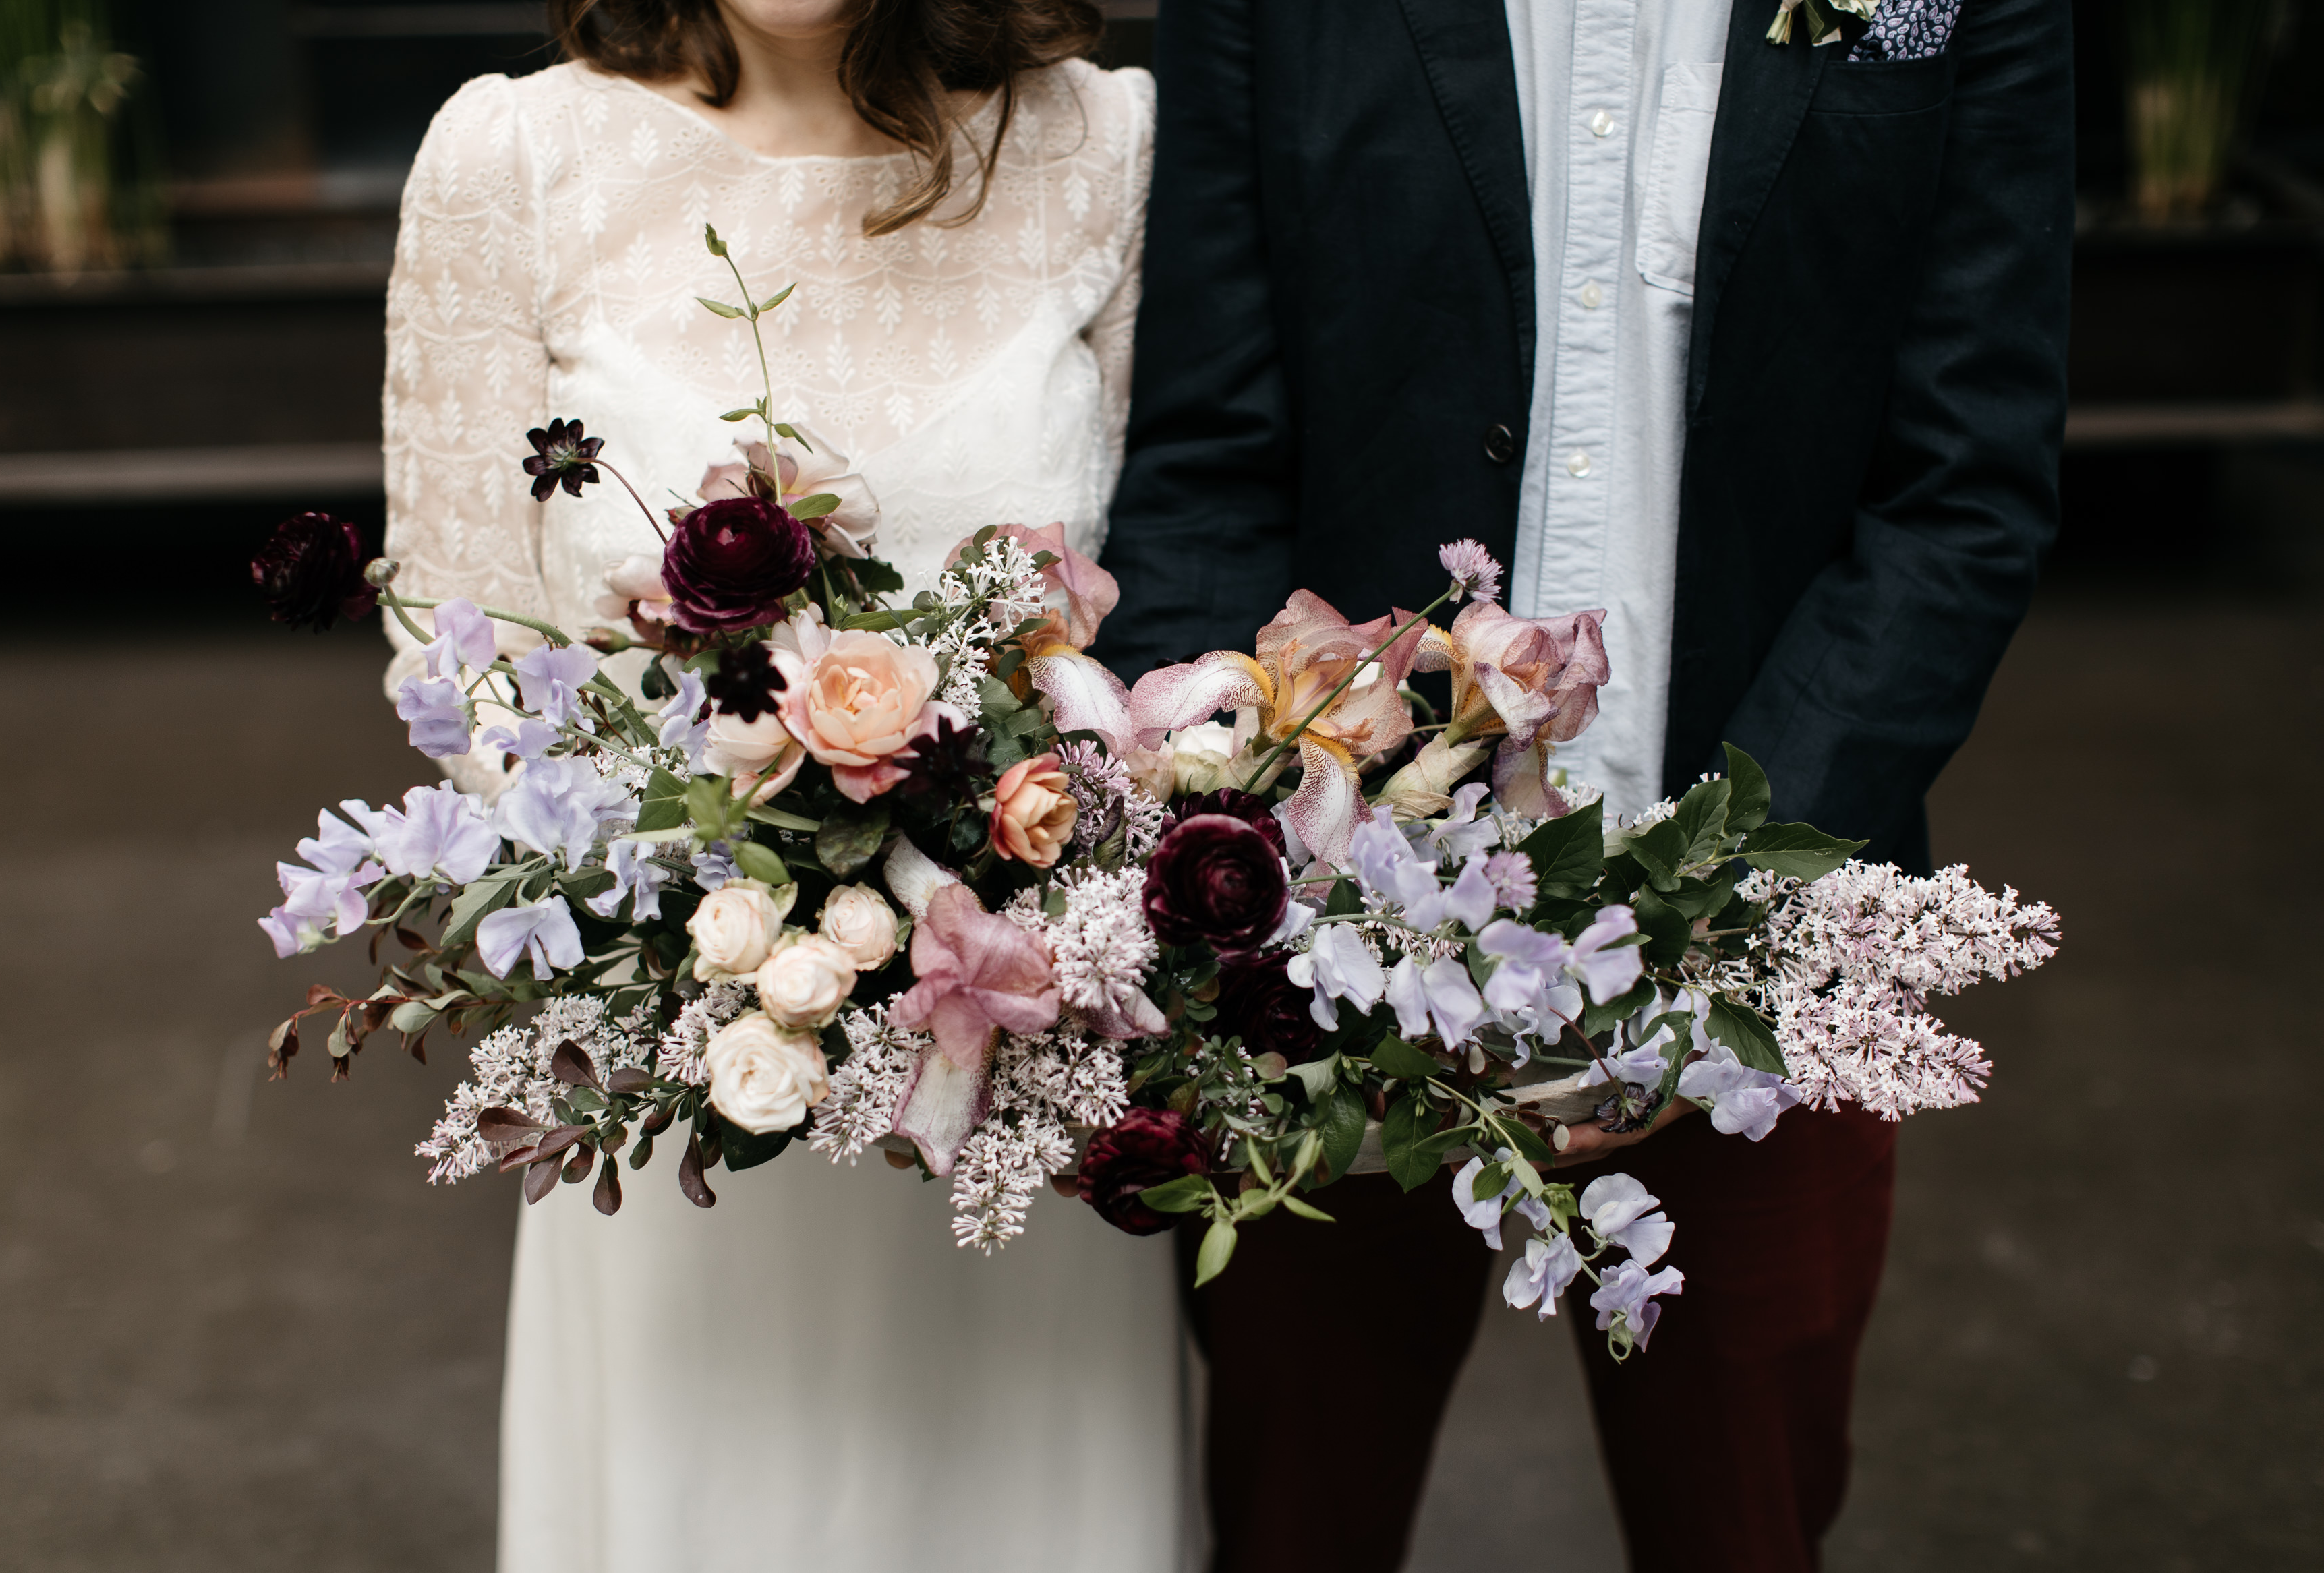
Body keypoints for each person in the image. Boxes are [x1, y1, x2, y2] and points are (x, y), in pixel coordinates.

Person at [1096, 1, 2071, 1570]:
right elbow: (1207, 455)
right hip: (1332, 948)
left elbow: (1962, 486)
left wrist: (1714, 907)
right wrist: (1261, 856)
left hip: (1767, 942)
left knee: (1743, 1520)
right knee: (1296, 1512)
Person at [378, 3, 1188, 1570]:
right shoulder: (519, 157)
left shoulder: (1099, 144)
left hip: (1017, 1055)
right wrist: (705, 911)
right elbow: (453, 633)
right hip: (697, 1055)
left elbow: (1167, 592)